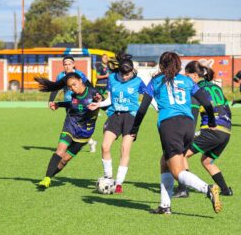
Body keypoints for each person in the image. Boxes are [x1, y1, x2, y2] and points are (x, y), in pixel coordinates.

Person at [130, 52, 222, 214]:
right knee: (164, 161)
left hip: (170, 125)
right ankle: (165, 206)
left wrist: (134, 130)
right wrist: (212, 122)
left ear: (161, 64)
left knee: (177, 171)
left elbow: (142, 108)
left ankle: (208, 189)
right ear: (179, 65)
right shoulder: (187, 80)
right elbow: (207, 102)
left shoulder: (156, 81)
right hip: (188, 125)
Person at [88, 54, 156, 194]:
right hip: (115, 115)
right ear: (119, 72)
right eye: (123, 74)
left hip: (131, 117)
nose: (126, 77)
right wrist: (98, 104)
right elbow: (109, 100)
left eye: (129, 74)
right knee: (105, 146)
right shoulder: (112, 79)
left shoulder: (138, 81)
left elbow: (149, 97)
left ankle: (118, 183)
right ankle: (108, 177)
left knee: (125, 149)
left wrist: (158, 108)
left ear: (132, 72)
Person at [174, 61, 233, 198]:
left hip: (211, 130)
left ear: (194, 76)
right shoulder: (215, 87)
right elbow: (226, 108)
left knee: (182, 154)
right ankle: (225, 190)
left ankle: (183, 189)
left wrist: (187, 134)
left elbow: (193, 115)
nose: (185, 79)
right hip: (226, 131)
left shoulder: (195, 89)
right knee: (206, 160)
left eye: (187, 76)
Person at [36, 73, 103, 188]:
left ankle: (50, 176)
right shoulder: (73, 95)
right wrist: (58, 104)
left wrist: (99, 101)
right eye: (70, 87)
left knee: (64, 160)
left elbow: (106, 104)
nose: (72, 88)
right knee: (60, 151)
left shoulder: (93, 93)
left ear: (80, 81)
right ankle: (47, 178)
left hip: (84, 133)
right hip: (70, 126)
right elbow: (71, 104)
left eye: (74, 84)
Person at [49, 56, 98, 152]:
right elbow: (55, 89)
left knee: (75, 125)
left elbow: (90, 86)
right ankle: (90, 142)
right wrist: (51, 100)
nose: (67, 66)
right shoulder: (60, 76)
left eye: (69, 64)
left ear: (73, 64)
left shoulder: (79, 74)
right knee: (75, 125)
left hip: (80, 103)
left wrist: (94, 98)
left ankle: (72, 144)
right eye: (65, 64)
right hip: (68, 104)